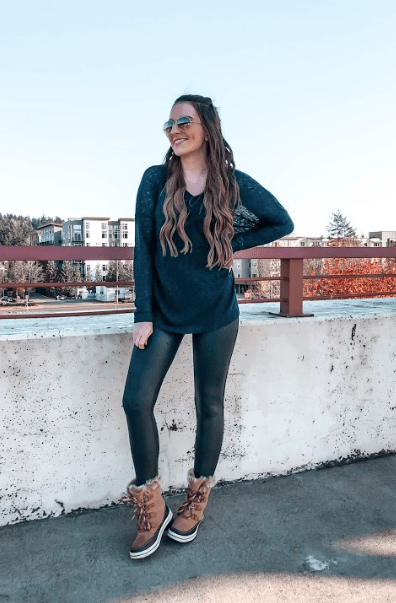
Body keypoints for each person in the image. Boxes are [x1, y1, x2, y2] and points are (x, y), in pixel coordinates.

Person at [121, 94, 294, 560]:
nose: (174, 130)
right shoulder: (155, 180)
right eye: (169, 124)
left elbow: (281, 221)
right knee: (136, 400)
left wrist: (230, 237)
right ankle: (151, 503)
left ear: (207, 127)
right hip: (163, 311)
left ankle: (196, 500)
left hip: (217, 311)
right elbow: (143, 249)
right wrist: (142, 312)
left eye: (184, 121)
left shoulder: (230, 183)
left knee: (209, 405)